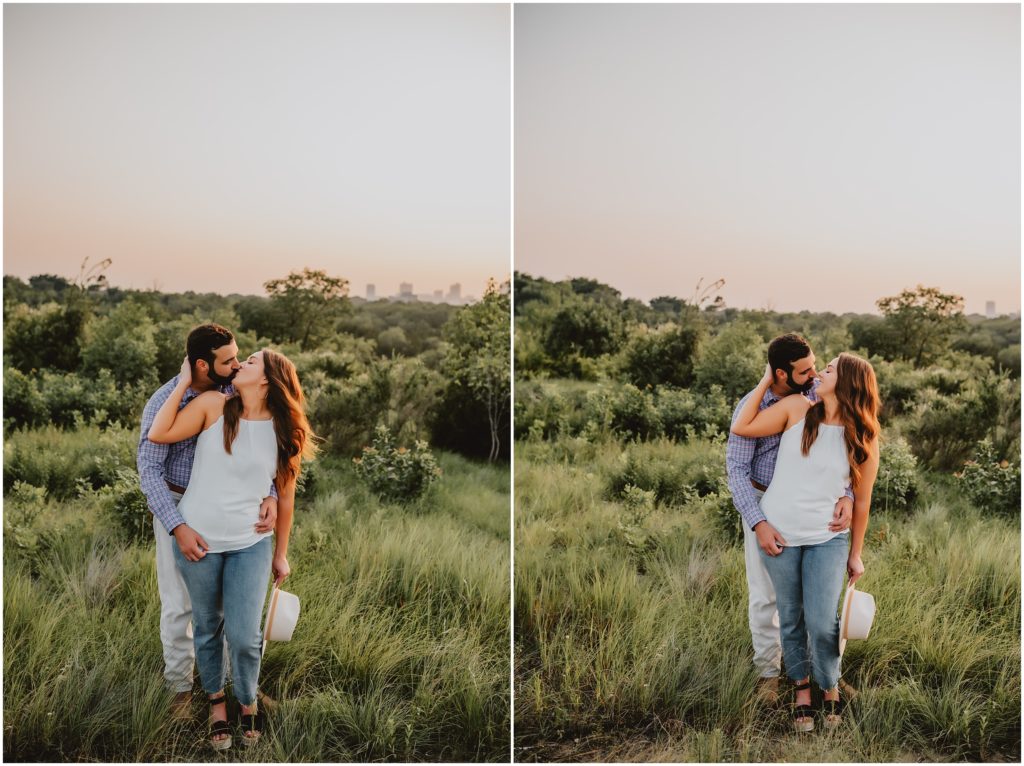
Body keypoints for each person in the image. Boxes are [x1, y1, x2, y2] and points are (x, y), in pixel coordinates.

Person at [148, 347, 315, 750]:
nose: (241, 365)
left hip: (249, 543)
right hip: (198, 541)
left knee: (243, 634)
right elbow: (159, 433)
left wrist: (280, 553)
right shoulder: (213, 405)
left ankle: (247, 698)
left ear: (268, 379)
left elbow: (286, 496)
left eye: (251, 361)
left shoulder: (285, 431)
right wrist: (183, 382)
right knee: (207, 626)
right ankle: (216, 701)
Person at [731, 352, 880, 732]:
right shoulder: (797, 408)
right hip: (779, 532)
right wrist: (766, 378)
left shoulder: (863, 434)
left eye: (828, 369)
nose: (819, 373)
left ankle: (829, 683)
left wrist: (856, 553)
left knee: (822, 620)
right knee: (790, 615)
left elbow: (862, 501)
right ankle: (800, 687)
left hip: (827, 538)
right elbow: (742, 426)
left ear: (847, 383)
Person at [137, 324, 278, 720]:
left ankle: (240, 685)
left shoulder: (234, 388)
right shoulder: (165, 400)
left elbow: (258, 444)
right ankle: (180, 688)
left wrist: (270, 492)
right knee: (179, 604)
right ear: (202, 365)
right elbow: (149, 469)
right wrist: (176, 525)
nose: (237, 364)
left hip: (229, 506)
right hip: (178, 504)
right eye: (229, 359)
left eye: (239, 357)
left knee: (235, 605)